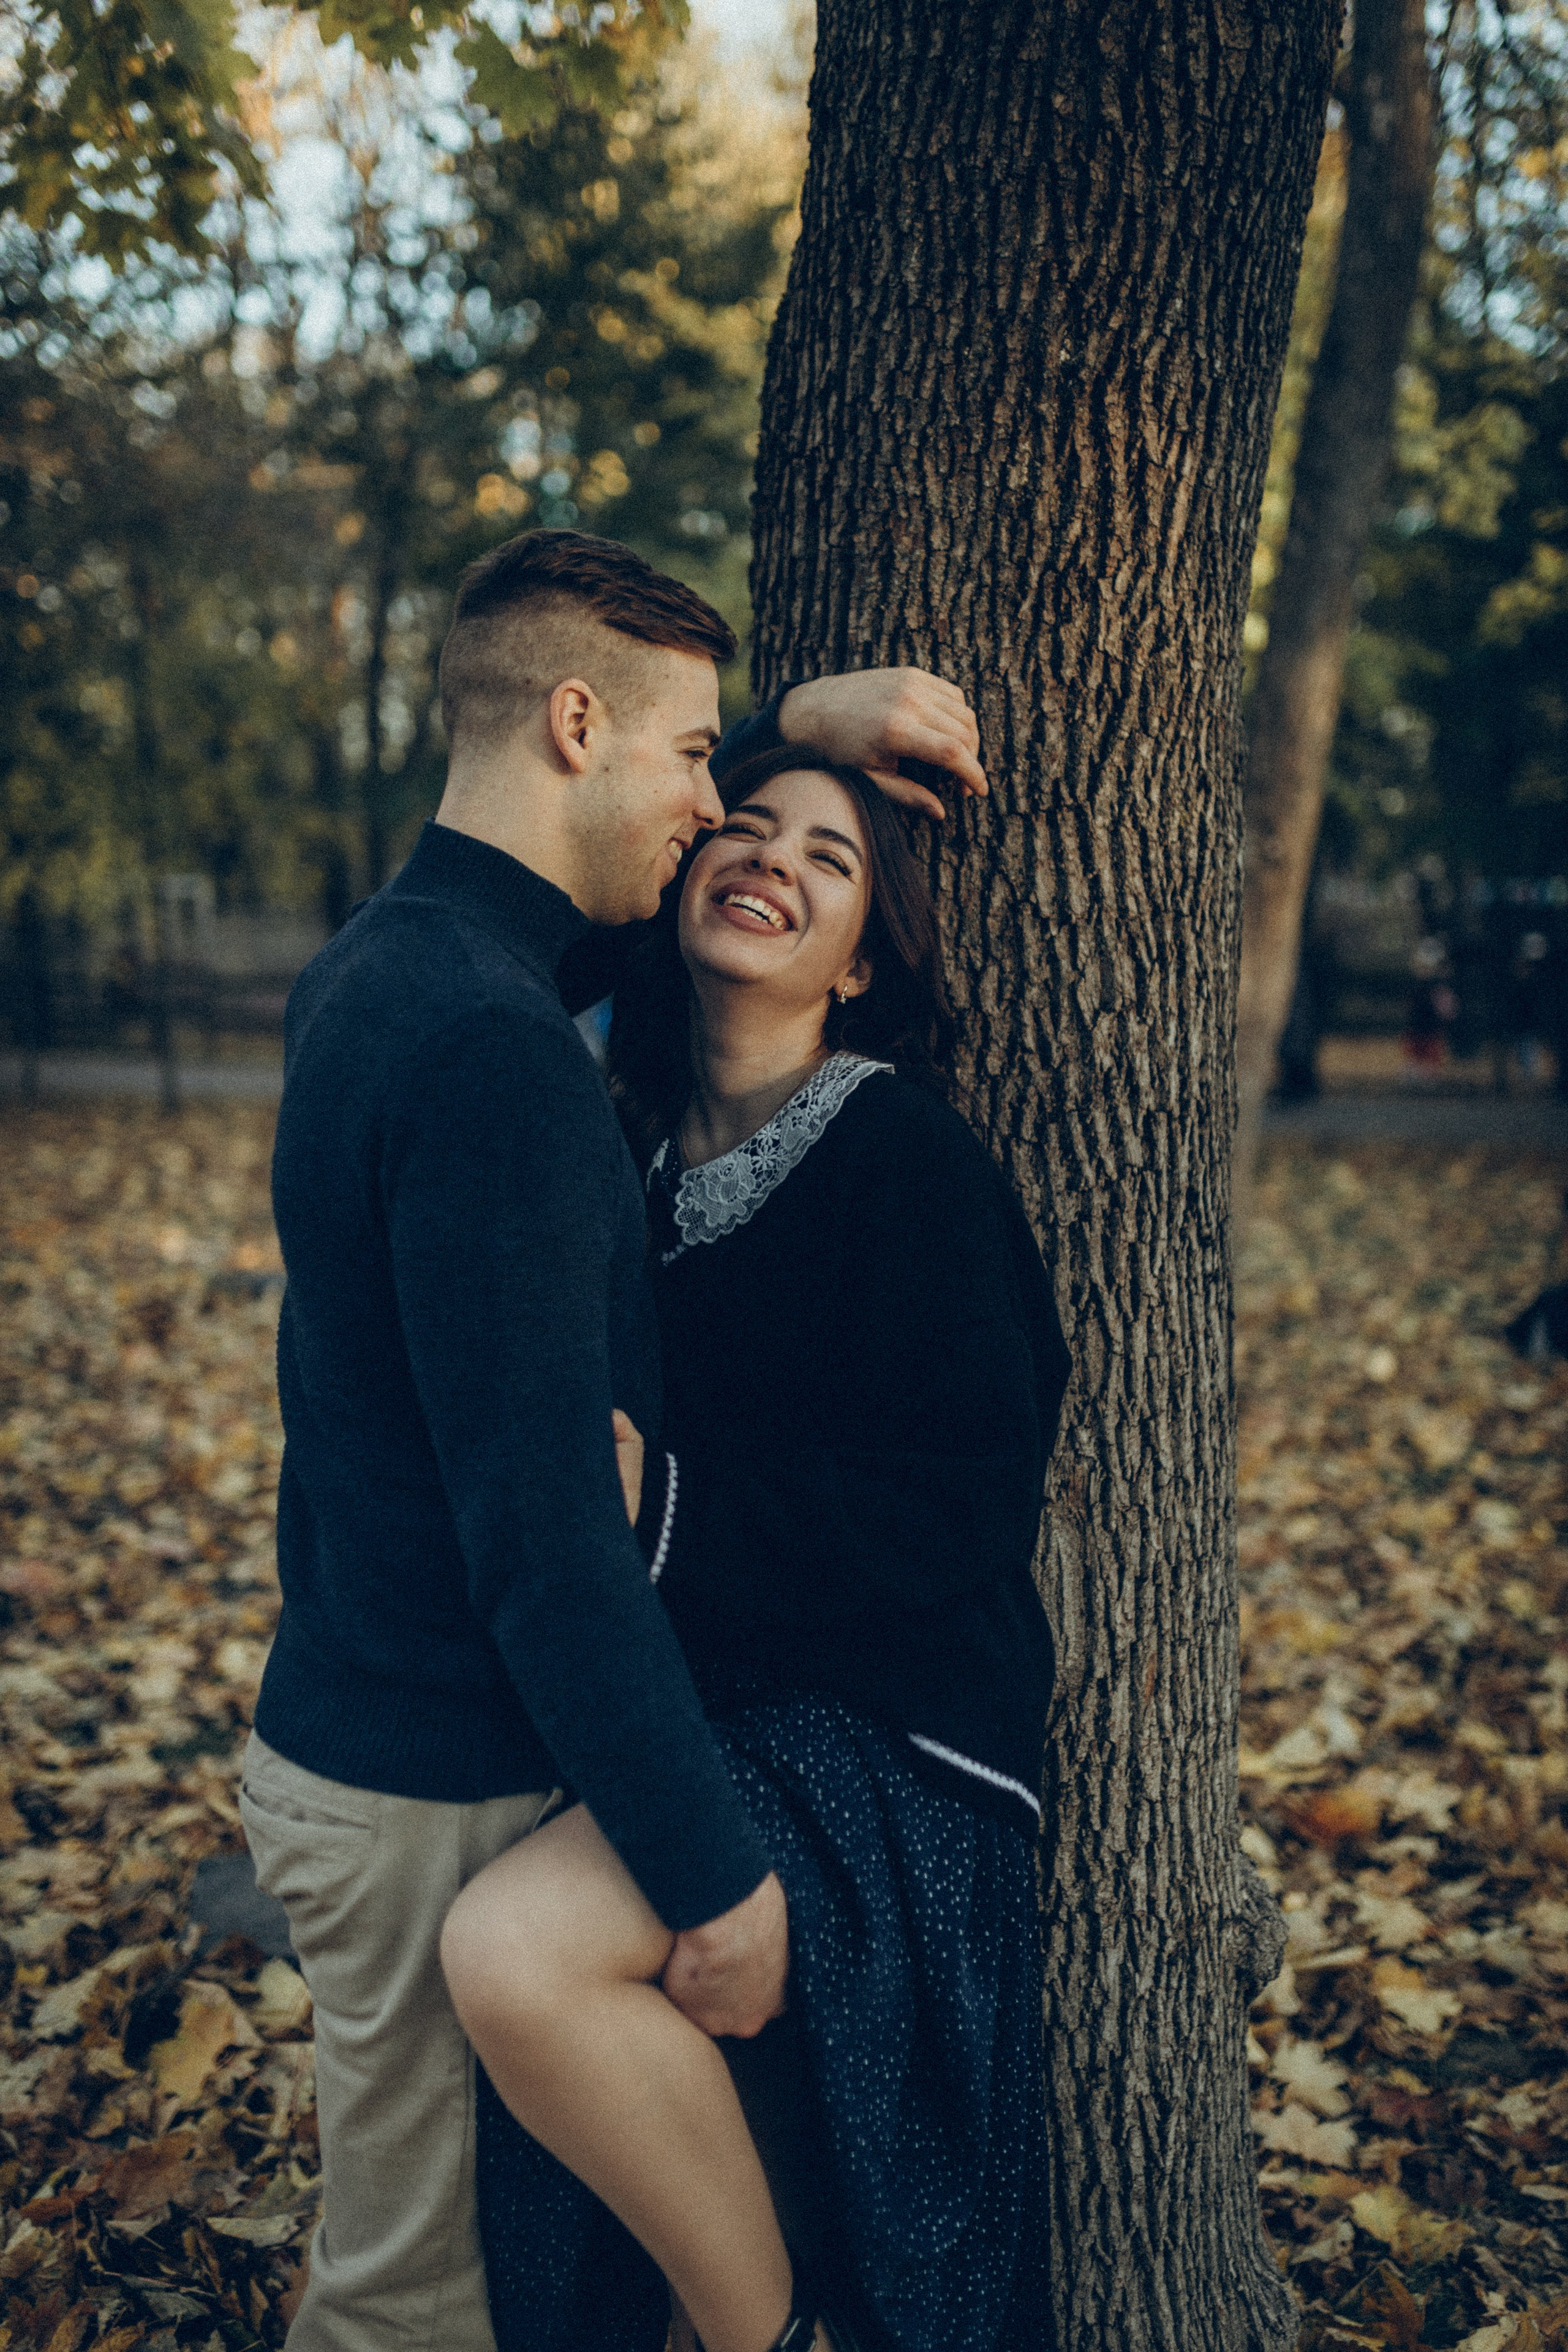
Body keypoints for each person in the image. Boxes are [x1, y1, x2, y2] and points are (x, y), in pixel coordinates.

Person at [239, 524, 989, 2352]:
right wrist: (713, 1872)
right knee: (410, 2310)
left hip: (371, 1722)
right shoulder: (499, 1052)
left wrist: (793, 716)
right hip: (424, 1776)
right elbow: (551, 1539)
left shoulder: (393, 967)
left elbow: (643, 821)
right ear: (578, 723)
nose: (713, 816)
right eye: (692, 761)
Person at [442, 744, 1070, 2352]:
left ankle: (767, 2343)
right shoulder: (629, 1158)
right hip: (714, 1710)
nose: (770, 859)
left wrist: (675, 1508)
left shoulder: (909, 1166)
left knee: (514, 1951)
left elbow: (965, 1507)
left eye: (831, 858)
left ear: (860, 961)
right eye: (742, 823)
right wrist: (801, 711)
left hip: (899, 1739)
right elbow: (503, 884)